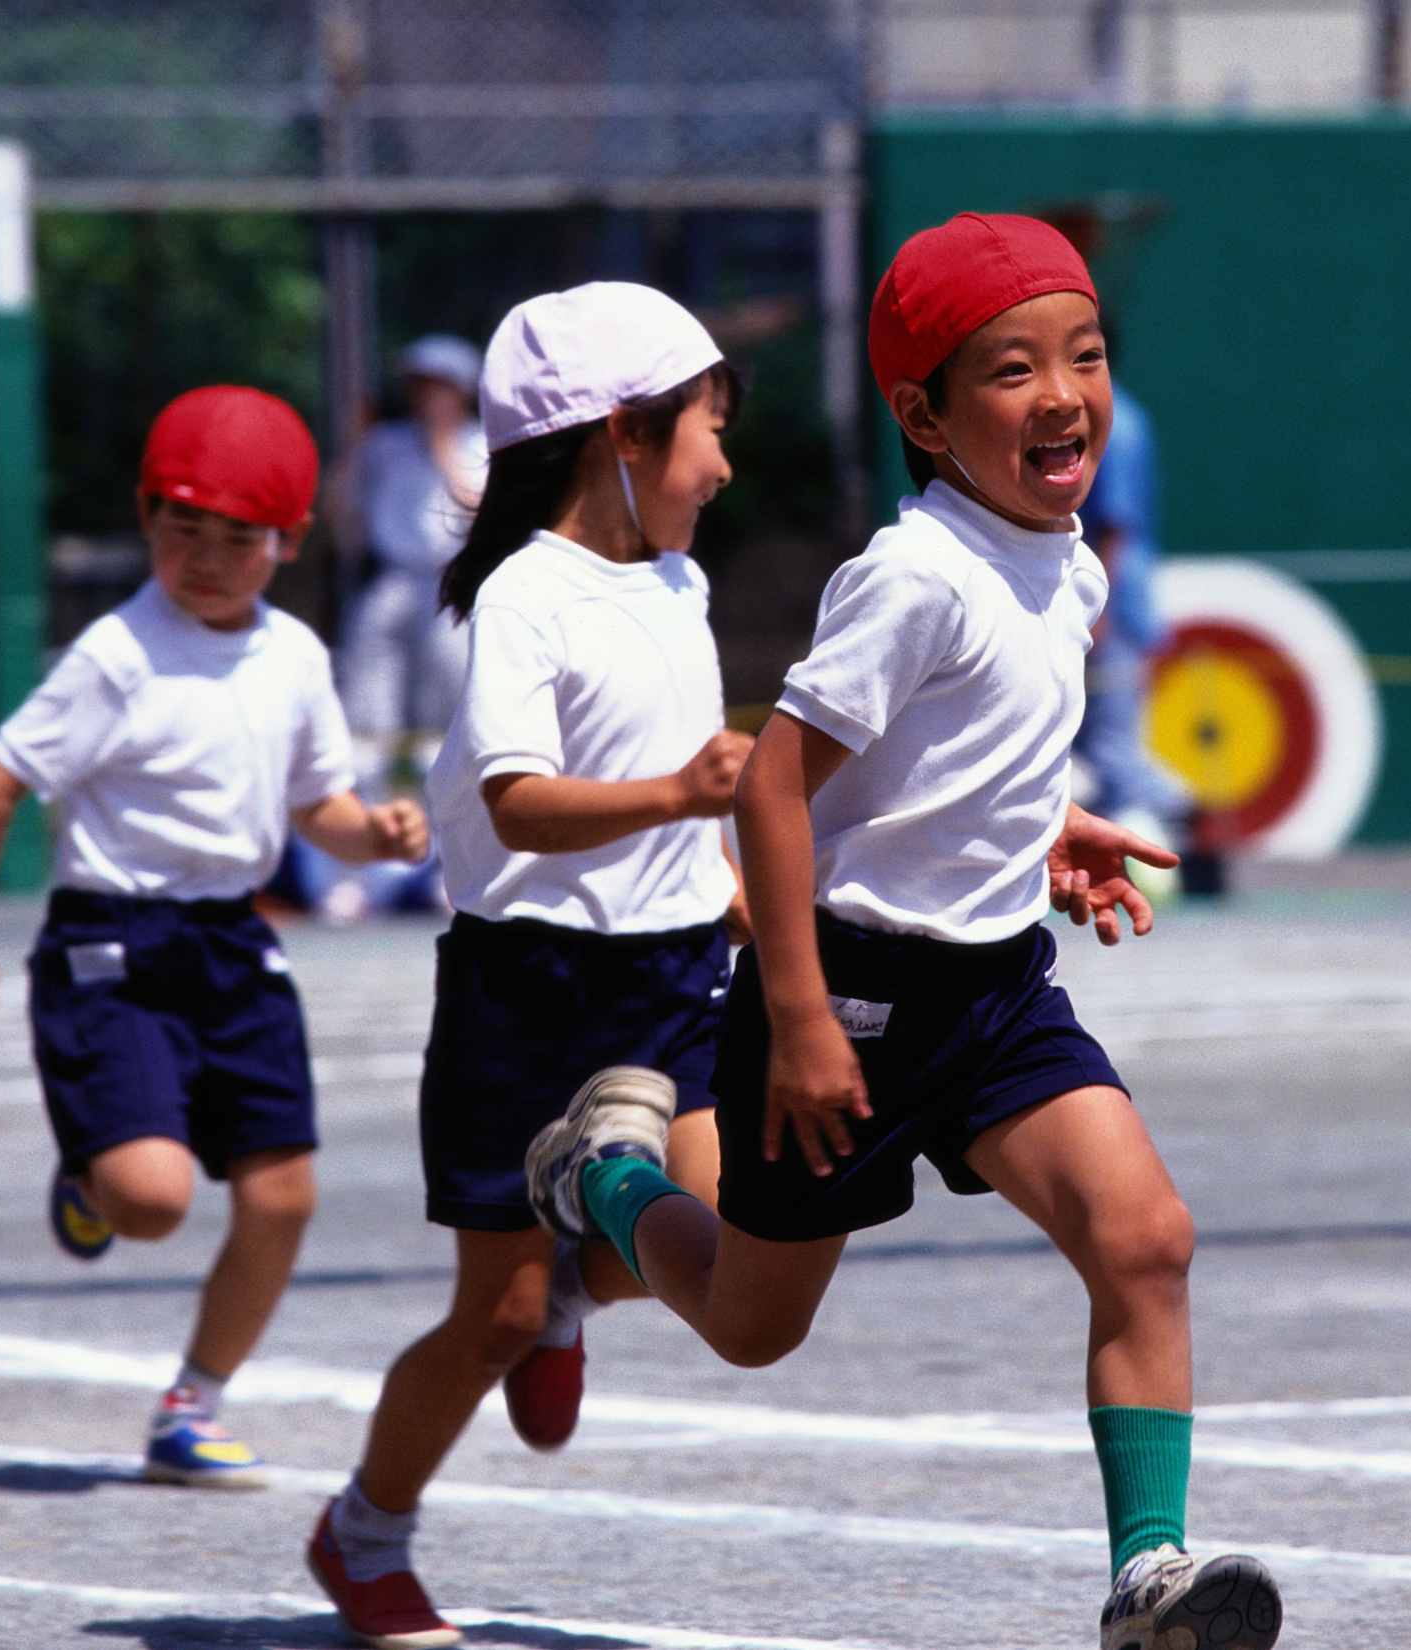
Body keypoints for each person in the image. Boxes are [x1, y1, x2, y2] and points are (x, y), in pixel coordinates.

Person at [511, 214, 1279, 1650]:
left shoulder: (1074, 561)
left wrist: (1048, 824)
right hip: (850, 999)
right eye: (1011, 370)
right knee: (753, 1321)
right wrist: (799, 1015)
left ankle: (1149, 1578)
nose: (1063, 393)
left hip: (994, 998)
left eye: (1087, 355)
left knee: (1149, 1239)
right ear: (924, 413)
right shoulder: (913, 574)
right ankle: (605, 1177)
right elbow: (780, 782)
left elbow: (952, 751)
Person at [302, 284, 753, 1650]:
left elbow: (690, 780)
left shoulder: (684, 577)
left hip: (670, 973)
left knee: (726, 1250)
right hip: (528, 992)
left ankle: (575, 1270)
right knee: (488, 1321)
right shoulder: (521, 597)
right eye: (708, 430)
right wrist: (679, 794)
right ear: (624, 432)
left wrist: (725, 885)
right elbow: (518, 802)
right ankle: (362, 1531)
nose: (725, 463)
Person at [0, 385, 430, 1491]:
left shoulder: (295, 657)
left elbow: (318, 808)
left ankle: (191, 1403)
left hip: (232, 944)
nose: (205, 559)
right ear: (147, 517)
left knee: (284, 1193)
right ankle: (92, 1166)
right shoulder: (117, 656)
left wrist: (376, 834)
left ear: (289, 542)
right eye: (180, 529)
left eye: (236, 538)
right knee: (149, 1203)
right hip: (111, 943)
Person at [342, 335, 490, 795]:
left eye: (434, 385)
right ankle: (371, 794)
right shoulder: (385, 443)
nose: (422, 395)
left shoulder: (482, 443)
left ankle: (444, 798)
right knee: (368, 678)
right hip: (394, 576)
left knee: (448, 686)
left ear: (461, 390)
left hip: (451, 580)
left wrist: (442, 444)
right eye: (417, 385)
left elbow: (478, 513)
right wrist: (352, 444)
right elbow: (345, 511)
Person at [1074, 344, 1189, 877]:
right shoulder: (1122, 415)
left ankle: (1183, 816)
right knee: (1100, 745)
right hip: (1112, 603)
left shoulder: (1112, 422)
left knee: (1113, 749)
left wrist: (1098, 609)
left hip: (1110, 607)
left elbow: (1115, 523)